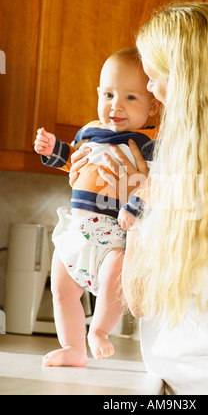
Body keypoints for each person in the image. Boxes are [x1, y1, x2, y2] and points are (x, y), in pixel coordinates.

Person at [70, 2, 208, 395]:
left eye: (156, 77)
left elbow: (141, 298)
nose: (153, 90)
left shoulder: (195, 178)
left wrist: (136, 204)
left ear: (186, 80)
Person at [34, 47, 160, 367]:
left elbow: (155, 183)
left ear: (153, 104)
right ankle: (73, 348)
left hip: (113, 231)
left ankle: (100, 331)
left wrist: (134, 207)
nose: (115, 105)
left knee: (116, 272)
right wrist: (54, 151)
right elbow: (74, 161)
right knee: (62, 289)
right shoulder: (90, 130)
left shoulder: (147, 143)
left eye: (130, 98)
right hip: (77, 228)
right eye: (108, 94)